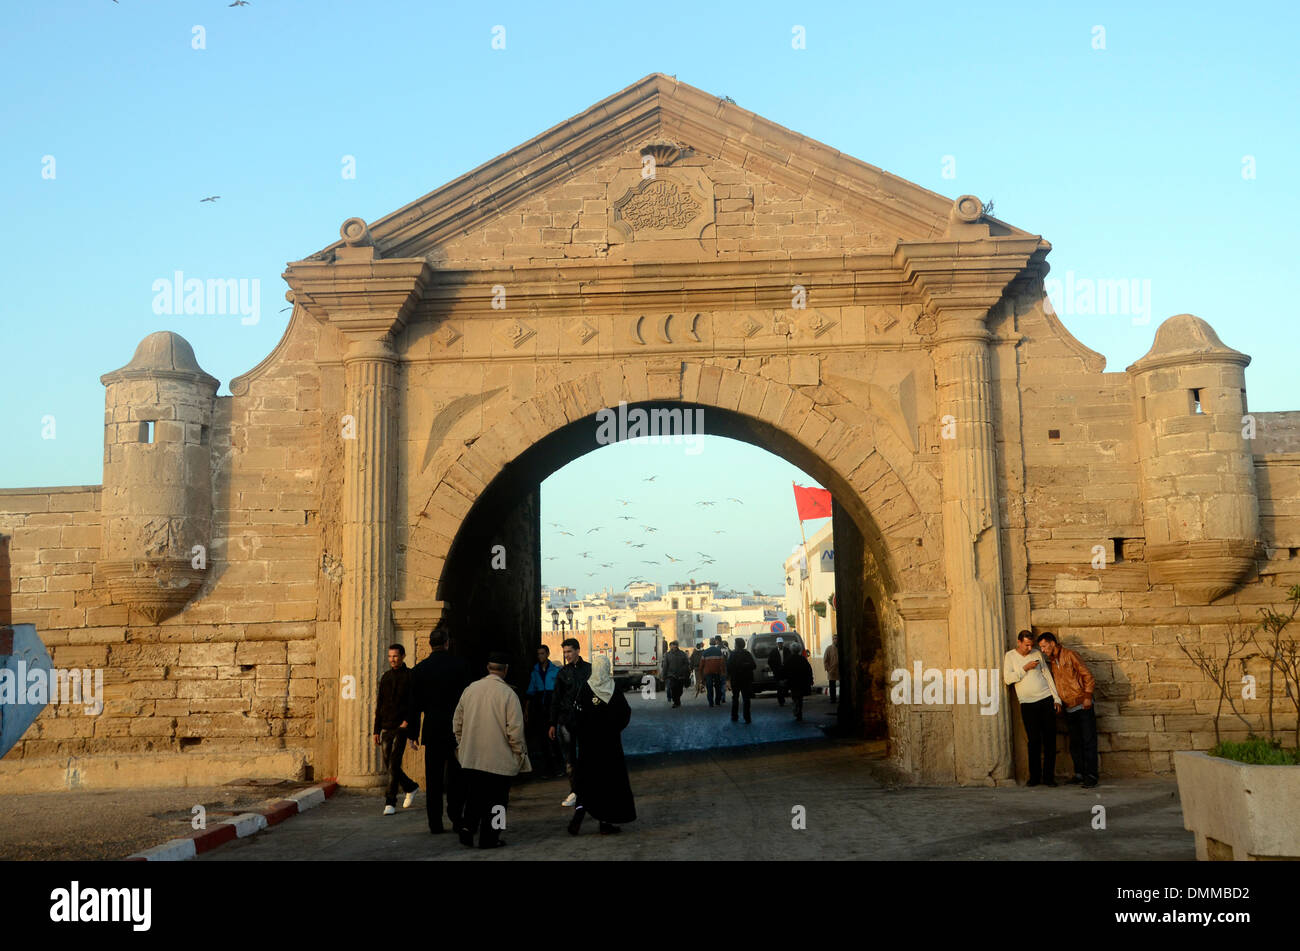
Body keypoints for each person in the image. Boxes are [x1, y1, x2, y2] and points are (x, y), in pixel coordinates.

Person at [453, 652, 530, 848]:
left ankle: (467, 829)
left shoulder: (470, 690)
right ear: (506, 670)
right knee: (498, 801)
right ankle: (491, 837)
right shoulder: (509, 695)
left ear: (488, 668)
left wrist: (464, 746)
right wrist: (518, 753)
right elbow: (515, 730)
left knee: (474, 797)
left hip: (472, 757)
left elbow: (457, 724)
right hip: (499, 759)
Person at [406, 622, 472, 833]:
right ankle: (456, 817)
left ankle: (435, 822)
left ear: (430, 644)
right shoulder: (460, 666)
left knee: (433, 779)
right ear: (447, 643)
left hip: (432, 729)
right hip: (455, 730)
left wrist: (413, 733)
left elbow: (414, 705)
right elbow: (467, 700)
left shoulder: (419, 670)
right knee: (456, 777)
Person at [567, 655, 636, 836]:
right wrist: (613, 730)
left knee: (587, 782)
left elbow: (576, 717)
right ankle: (605, 823)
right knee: (609, 784)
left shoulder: (585, 689)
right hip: (610, 746)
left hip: (589, 747)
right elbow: (625, 714)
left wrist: (583, 734)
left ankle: (578, 819)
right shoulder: (614, 690)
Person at [1037, 632, 1099, 788]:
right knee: (1075, 743)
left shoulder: (1070, 655)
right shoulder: (1052, 661)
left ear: (1052, 643)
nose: (1043, 650)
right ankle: (1079, 774)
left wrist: (1087, 695)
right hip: (1069, 708)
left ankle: (1091, 775)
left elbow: (1088, 676)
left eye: (1044, 646)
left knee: (1088, 741)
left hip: (1082, 704)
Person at [1003, 629, 1063, 787]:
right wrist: (1025, 668)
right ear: (1019, 642)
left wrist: (1056, 698)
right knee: (1034, 741)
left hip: (1046, 699)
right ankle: (1034, 778)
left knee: (1050, 740)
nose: (1030, 649)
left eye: (1031, 645)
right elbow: (1008, 679)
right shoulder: (1010, 656)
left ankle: (1049, 778)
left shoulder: (1037, 653)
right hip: (1027, 704)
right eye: (1027, 645)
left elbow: (1047, 675)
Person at [373, 643, 418, 816]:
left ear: (403, 656)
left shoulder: (410, 676)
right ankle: (410, 786)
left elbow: (414, 702)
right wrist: (376, 729)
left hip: (401, 726)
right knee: (388, 763)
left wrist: (407, 722)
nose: (392, 659)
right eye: (390, 656)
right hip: (386, 726)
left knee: (394, 762)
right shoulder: (385, 677)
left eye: (395, 656)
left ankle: (390, 801)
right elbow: (380, 704)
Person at [548, 637, 592, 808]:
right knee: (569, 760)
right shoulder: (562, 673)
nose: (566, 655)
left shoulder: (589, 670)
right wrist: (552, 723)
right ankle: (574, 791)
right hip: (566, 721)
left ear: (577, 651)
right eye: (565, 652)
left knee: (587, 756)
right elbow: (556, 699)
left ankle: (587, 789)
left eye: (569, 651)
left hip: (585, 720)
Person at [525, 645, 563, 778]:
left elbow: (560, 690)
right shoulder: (535, 672)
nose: (540, 656)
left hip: (552, 706)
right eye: (538, 654)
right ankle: (549, 769)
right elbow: (531, 690)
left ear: (547, 654)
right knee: (543, 739)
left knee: (553, 738)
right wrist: (527, 709)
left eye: (542, 653)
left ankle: (560, 767)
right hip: (540, 707)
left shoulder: (555, 670)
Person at [727, 637, 756, 723]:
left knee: (735, 698)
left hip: (735, 680)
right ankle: (747, 717)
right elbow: (753, 665)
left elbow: (728, 667)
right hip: (746, 680)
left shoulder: (733, 654)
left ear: (737, 645)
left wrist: (729, 677)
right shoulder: (747, 654)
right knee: (746, 699)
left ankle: (734, 716)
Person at [785, 643, 814, 721]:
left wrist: (784, 680)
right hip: (801, 682)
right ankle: (799, 712)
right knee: (800, 698)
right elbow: (809, 670)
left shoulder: (788, 659)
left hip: (793, 682)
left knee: (794, 696)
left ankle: (796, 709)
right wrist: (811, 679)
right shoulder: (803, 659)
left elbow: (784, 670)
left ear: (791, 650)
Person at [661, 640, 690, 707]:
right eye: (671, 645)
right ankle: (676, 702)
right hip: (671, 675)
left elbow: (686, 664)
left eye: (674, 645)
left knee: (680, 690)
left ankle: (677, 700)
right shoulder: (667, 655)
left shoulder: (682, 654)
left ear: (677, 646)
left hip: (681, 675)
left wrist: (685, 671)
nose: (672, 647)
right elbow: (665, 666)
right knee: (673, 689)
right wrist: (663, 676)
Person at [700, 638, 727, 708]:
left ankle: (711, 703)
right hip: (717, 672)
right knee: (718, 687)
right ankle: (717, 702)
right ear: (715, 643)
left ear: (709, 643)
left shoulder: (705, 652)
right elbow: (722, 663)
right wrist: (723, 672)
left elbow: (701, 664)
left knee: (709, 688)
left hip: (708, 673)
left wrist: (701, 673)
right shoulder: (719, 651)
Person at [767, 638, 787, 706]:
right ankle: (781, 700)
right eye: (779, 643)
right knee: (779, 687)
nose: (780, 644)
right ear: (777, 644)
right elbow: (770, 661)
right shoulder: (773, 651)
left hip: (785, 671)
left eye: (781, 643)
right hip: (777, 671)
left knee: (784, 686)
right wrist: (774, 668)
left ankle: (783, 698)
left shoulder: (787, 650)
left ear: (783, 643)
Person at [823, 635, 839, 703]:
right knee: (832, 685)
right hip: (832, 670)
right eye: (834, 638)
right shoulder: (829, 648)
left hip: (839, 670)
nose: (836, 640)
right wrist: (828, 669)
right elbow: (825, 660)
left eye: (837, 638)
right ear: (833, 639)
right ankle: (833, 699)